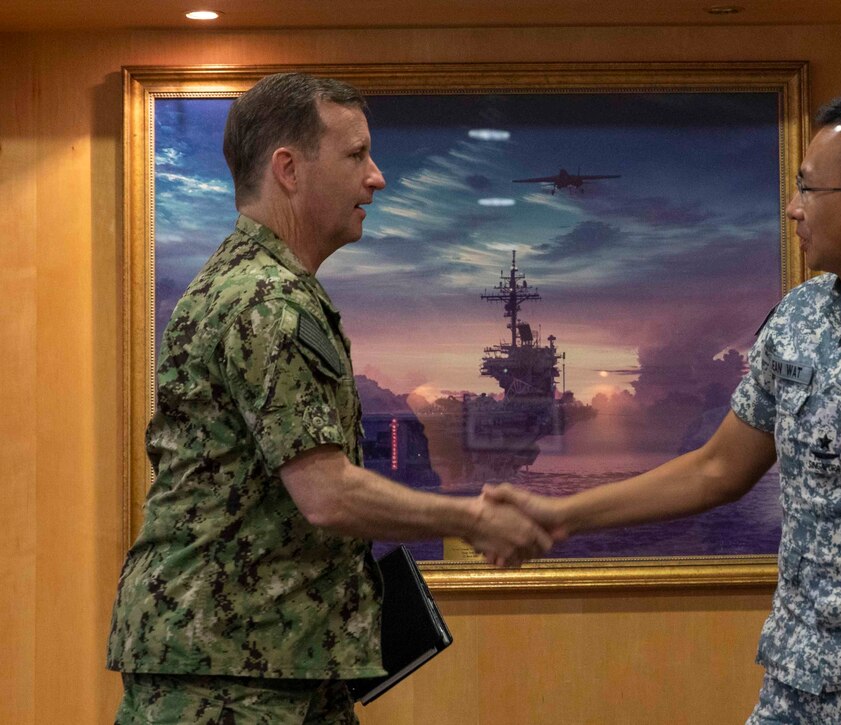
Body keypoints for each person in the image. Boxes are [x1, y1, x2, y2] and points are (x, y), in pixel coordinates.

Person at [486, 90, 841, 725]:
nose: (792, 208)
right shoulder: (796, 320)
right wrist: (561, 516)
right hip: (795, 682)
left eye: (809, 190)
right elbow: (715, 470)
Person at [106, 72, 552, 724]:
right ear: (288, 169)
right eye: (354, 155)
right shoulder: (266, 300)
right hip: (233, 678)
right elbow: (327, 493)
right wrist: (475, 520)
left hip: (266, 660)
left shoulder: (252, 285)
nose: (377, 177)